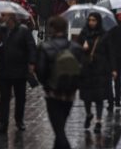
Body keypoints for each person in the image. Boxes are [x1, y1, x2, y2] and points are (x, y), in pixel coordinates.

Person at [36, 16, 83, 149]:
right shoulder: (75, 47)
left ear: (52, 29)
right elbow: (81, 68)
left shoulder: (45, 47)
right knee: (60, 126)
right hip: (70, 93)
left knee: (59, 129)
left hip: (53, 92)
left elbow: (41, 71)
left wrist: (46, 84)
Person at [0, 13, 37, 134]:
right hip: (3, 71)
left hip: (19, 71)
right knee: (4, 98)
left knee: (20, 98)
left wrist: (32, 63)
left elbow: (31, 47)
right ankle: (3, 123)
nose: (1, 17)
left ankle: (19, 120)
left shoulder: (23, 31)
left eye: (4, 15)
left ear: (11, 17)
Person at [77, 13, 117, 133]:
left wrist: (113, 69)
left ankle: (99, 120)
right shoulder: (83, 34)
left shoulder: (104, 35)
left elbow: (110, 52)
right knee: (86, 97)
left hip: (100, 70)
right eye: (89, 20)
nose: (91, 22)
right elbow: (76, 50)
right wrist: (82, 47)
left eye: (94, 20)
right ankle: (89, 114)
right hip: (86, 70)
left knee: (99, 97)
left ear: (98, 21)